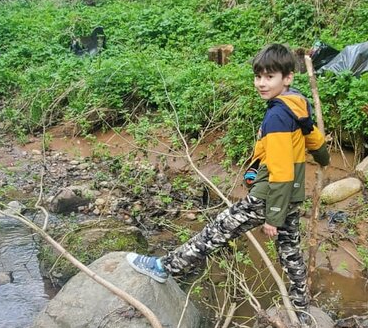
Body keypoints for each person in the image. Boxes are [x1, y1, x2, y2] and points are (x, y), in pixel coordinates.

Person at [127, 43, 330, 311]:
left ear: (287, 77)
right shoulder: (297, 103)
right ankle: (300, 303)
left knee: (217, 231)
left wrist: (273, 215)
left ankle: (164, 267)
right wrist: (324, 158)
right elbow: (313, 136)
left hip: (270, 196)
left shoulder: (278, 115)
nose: (261, 83)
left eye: (270, 77)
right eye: (258, 76)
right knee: (290, 250)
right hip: (292, 194)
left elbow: (281, 170)